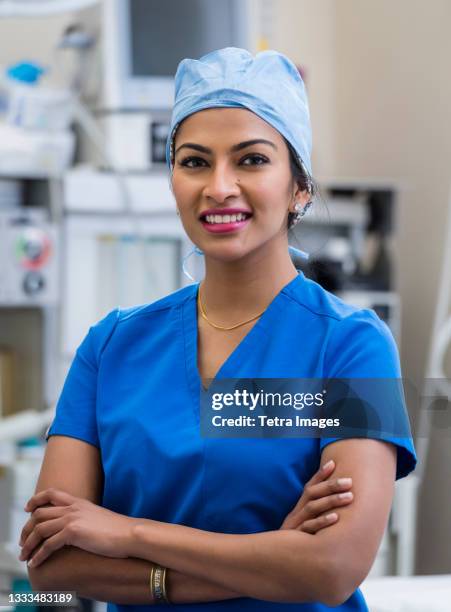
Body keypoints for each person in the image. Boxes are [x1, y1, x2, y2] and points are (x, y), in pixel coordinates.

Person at [18, 48, 417, 610]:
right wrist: (272, 555)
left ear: (299, 186)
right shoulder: (110, 347)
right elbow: (53, 569)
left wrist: (126, 533)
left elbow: (333, 567)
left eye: (251, 160)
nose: (219, 187)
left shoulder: (350, 346)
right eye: (195, 161)